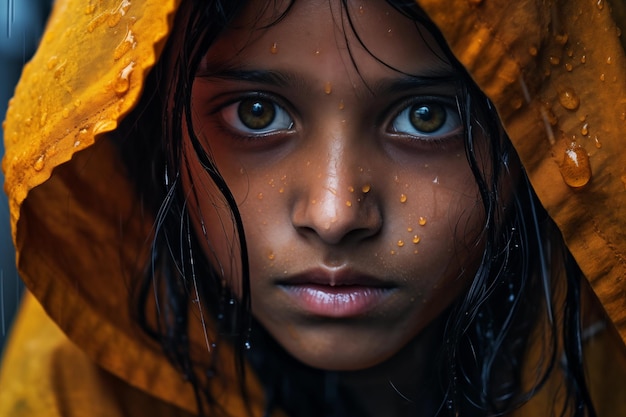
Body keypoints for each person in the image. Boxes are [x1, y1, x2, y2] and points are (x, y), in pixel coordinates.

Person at [1, 0, 626, 416]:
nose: (334, 215)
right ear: (150, 127)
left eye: (427, 116)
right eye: (257, 113)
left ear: (536, 130)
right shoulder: (73, 392)